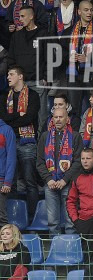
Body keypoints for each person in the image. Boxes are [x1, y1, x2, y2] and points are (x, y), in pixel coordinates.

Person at [0, 65, 40, 220]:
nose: (8, 77)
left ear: (20, 76)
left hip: (27, 142)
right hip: (8, 141)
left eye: (11, 74)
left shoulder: (33, 95)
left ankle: (32, 218)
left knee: (30, 181)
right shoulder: (4, 96)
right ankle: (14, 218)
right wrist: (19, 115)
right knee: (11, 182)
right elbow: (3, 118)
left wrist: (12, 121)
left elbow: (29, 118)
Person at [36, 107, 82, 236]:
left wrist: (64, 180)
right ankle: (54, 247)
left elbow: (78, 162)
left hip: (68, 184)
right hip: (50, 184)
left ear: (67, 119)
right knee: (52, 222)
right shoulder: (45, 136)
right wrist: (48, 179)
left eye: (61, 117)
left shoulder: (75, 136)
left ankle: (70, 246)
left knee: (70, 221)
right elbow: (39, 162)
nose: (58, 119)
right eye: (55, 117)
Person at [7, 6, 48, 128]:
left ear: (31, 16)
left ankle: (40, 139)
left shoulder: (43, 34)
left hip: (38, 82)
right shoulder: (16, 36)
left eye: (22, 16)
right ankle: (19, 138)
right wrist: (14, 77)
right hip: (21, 84)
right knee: (20, 114)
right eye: (19, 16)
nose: (20, 19)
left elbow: (50, 57)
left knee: (41, 115)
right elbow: (11, 59)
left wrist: (46, 77)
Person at [0, 116, 16, 225]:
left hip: (1, 181)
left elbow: (11, 157)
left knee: (2, 218)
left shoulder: (7, 130)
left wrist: (7, 182)